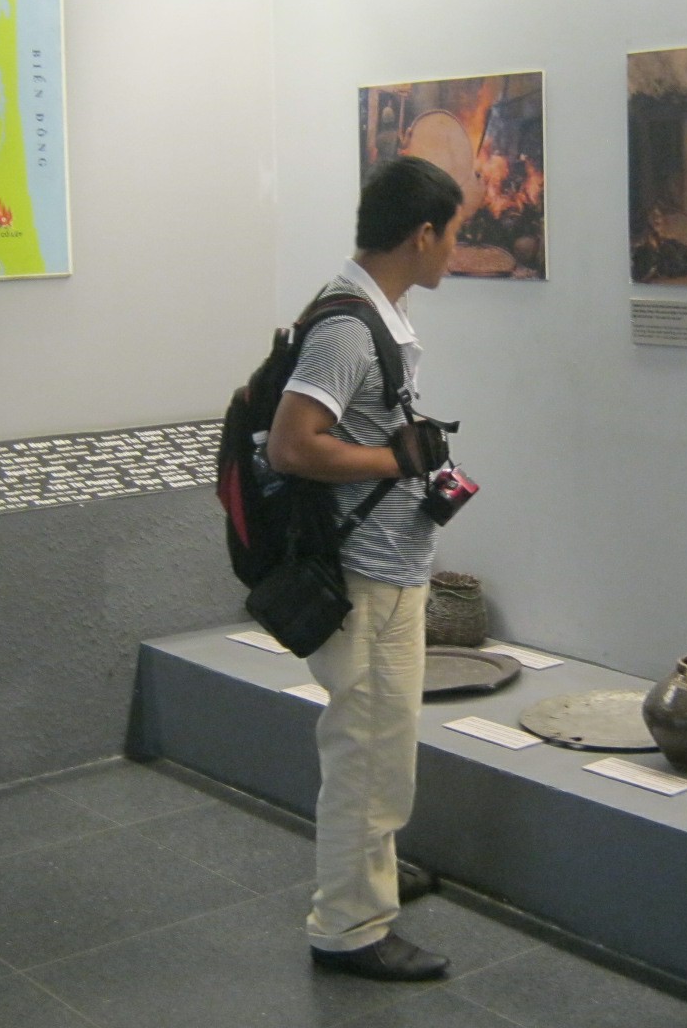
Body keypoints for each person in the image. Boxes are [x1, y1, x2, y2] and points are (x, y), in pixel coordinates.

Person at [267, 156, 463, 982]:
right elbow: (292, 445)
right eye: (453, 235)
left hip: (386, 565)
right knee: (370, 752)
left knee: (382, 742)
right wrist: (395, 460)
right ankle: (350, 926)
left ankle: (370, 870)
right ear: (422, 234)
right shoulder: (349, 328)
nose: (455, 251)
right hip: (365, 573)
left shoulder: (371, 309)